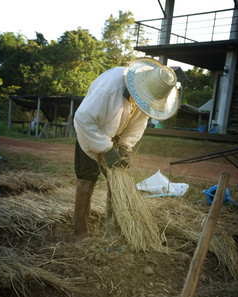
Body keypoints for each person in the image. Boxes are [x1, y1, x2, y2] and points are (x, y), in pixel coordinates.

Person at [72, 57, 179, 241]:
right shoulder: (109, 89)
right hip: (91, 131)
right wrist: (106, 148)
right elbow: (82, 118)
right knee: (86, 182)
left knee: (117, 184)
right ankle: (80, 234)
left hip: (116, 134)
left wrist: (123, 147)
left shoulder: (149, 99)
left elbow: (137, 124)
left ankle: (113, 234)